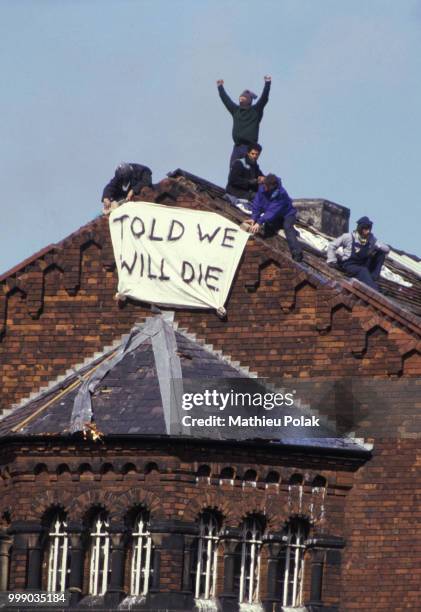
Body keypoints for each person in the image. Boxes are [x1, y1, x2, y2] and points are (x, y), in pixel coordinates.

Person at [242, 174, 303, 261]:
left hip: (287, 215)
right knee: (268, 228)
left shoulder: (281, 194)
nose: (265, 188)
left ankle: (297, 254)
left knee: (287, 227)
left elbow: (272, 211)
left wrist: (259, 223)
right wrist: (254, 218)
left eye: (267, 187)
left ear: (272, 186)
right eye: (264, 186)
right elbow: (257, 204)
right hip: (274, 217)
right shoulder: (262, 188)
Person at [217, 76, 271, 167]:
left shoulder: (255, 111)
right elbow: (226, 100)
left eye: (243, 98)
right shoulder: (236, 110)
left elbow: (264, 99)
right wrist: (220, 87)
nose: (241, 99)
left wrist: (267, 83)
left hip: (250, 148)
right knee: (233, 168)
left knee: (248, 169)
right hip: (237, 147)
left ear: (249, 100)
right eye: (240, 98)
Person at [326, 216, 390, 290]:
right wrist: (332, 260)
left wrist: (376, 246)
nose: (368, 231)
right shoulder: (348, 237)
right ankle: (375, 289)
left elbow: (387, 249)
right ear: (361, 228)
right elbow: (332, 245)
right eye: (366, 229)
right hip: (349, 266)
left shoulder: (371, 239)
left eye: (369, 229)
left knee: (380, 254)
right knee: (363, 271)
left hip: (363, 265)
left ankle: (373, 278)